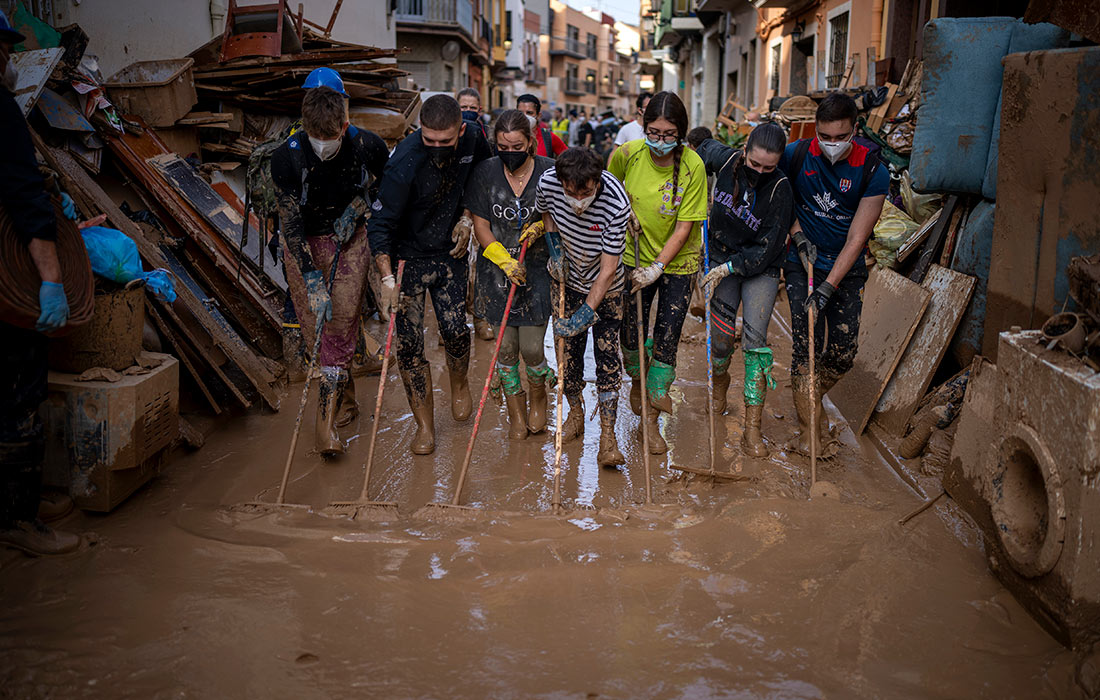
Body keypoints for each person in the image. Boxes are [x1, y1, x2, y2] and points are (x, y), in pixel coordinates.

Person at [272, 69, 389, 457]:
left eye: (331, 138)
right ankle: (345, 397)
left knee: (341, 322)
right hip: (302, 242)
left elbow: (383, 190)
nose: (323, 146)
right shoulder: (285, 157)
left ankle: (323, 430)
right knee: (315, 332)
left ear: (344, 124)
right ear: (305, 128)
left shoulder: (368, 146)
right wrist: (310, 277)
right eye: (315, 139)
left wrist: (358, 208)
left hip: (350, 239)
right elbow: (288, 222)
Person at [368, 95, 493, 455]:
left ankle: (459, 383)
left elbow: (483, 179)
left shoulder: (474, 139)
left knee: (455, 331)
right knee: (409, 347)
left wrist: (468, 217)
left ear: (461, 130)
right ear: (419, 131)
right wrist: (387, 279)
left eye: (445, 141)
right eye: (429, 140)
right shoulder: (404, 162)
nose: (437, 148)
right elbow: (380, 225)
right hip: (407, 257)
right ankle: (424, 426)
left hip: (449, 249)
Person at [0, 10, 80, 556]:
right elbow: (27, 203)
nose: (8, 58)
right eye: (2, 49)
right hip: (7, 285)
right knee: (18, 394)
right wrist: (51, 280)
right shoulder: (0, 110)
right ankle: (17, 520)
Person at [780, 92, 888, 455]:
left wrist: (828, 286)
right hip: (802, 262)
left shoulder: (873, 168)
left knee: (843, 353)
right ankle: (809, 433)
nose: (831, 145)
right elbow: (784, 204)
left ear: (855, 130)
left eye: (840, 137)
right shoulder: (796, 155)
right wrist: (797, 235)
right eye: (824, 137)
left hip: (845, 267)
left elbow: (858, 237)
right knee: (805, 350)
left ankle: (809, 396)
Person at [607, 91, 707, 454]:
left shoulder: (694, 166)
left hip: (677, 264)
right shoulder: (627, 154)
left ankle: (652, 419)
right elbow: (608, 192)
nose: (660, 140)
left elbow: (684, 228)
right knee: (630, 336)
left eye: (668, 134)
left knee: (666, 339)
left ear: (680, 133)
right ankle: (638, 379)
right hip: (631, 258)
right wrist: (623, 214)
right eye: (653, 131)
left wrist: (657, 268)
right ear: (642, 125)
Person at [531, 147, 631, 467]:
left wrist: (586, 314)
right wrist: (555, 247)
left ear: (597, 180)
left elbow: (608, 270)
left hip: (607, 287)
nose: (577, 201)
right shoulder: (548, 184)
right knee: (567, 355)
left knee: (606, 355)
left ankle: (607, 435)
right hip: (566, 280)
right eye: (570, 192)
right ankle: (575, 412)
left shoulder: (616, 202)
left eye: (585, 191)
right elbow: (546, 213)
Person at [698, 123, 793, 457]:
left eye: (769, 167)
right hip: (720, 252)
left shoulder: (780, 188)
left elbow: (769, 248)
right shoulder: (723, 160)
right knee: (721, 341)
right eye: (755, 164)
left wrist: (729, 268)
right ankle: (719, 387)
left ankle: (753, 428)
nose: (760, 172)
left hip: (759, 266)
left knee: (755, 343)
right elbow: (700, 145)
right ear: (744, 149)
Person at [466, 110, 556, 439]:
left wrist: (540, 227)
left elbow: (560, 215)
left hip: (537, 269)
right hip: (496, 270)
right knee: (504, 349)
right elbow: (480, 225)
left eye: (516, 145)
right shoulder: (485, 173)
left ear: (530, 142)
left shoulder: (549, 171)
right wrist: (503, 260)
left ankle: (538, 401)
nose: (510, 152)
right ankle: (515, 412)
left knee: (531, 348)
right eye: (503, 146)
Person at [456, 86, 494, 341]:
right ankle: (454, 322)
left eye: (472, 108)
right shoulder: (448, 135)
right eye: (463, 107)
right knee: (455, 265)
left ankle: (481, 319)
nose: (467, 112)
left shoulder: (483, 138)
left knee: (481, 267)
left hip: (480, 209)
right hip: (454, 212)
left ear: (479, 110)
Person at [516, 94, 567, 158]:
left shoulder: (548, 137)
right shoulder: (508, 136)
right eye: (520, 113)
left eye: (529, 113)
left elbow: (570, 159)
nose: (524, 116)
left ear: (538, 116)